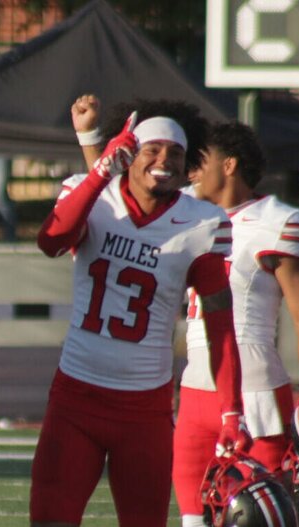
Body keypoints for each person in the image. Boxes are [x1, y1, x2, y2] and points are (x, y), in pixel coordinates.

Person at [30, 97, 250, 527]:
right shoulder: (91, 192)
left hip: (144, 408)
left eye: (176, 153)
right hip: (76, 396)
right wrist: (100, 170)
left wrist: (231, 410)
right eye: (152, 149)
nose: (164, 159)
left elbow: (220, 326)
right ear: (130, 151)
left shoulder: (201, 223)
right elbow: (51, 241)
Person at [173, 121, 299, 527]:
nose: (191, 172)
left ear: (229, 165)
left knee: (263, 514)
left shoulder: (276, 221)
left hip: (255, 388)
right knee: (192, 516)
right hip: (195, 387)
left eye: (200, 161)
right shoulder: (183, 210)